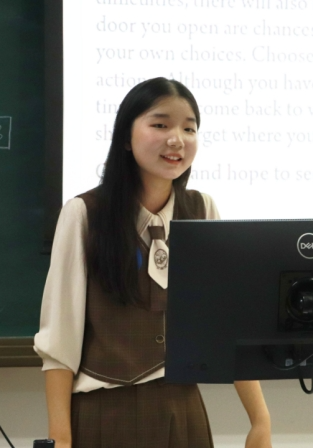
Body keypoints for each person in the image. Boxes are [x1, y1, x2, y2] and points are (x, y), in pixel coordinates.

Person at [34, 77, 272, 448]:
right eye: (160, 125)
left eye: (189, 128)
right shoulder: (85, 214)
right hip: (104, 414)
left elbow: (226, 324)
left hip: (184, 409)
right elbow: (59, 341)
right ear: (126, 138)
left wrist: (260, 421)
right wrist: (60, 438)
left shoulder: (201, 210)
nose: (177, 139)